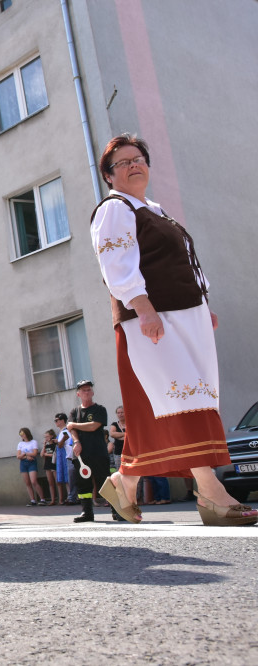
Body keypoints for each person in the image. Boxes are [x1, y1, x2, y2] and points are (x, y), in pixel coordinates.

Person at [90, 133, 256, 526]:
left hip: (184, 317)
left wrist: (203, 304)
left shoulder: (157, 209)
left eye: (139, 158)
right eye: (123, 162)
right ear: (109, 176)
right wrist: (143, 307)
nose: (134, 165)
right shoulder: (114, 209)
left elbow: (183, 263)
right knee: (186, 401)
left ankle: (124, 481)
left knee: (167, 404)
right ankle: (212, 493)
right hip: (154, 319)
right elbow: (117, 265)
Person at [68, 381, 109, 523]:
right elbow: (71, 430)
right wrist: (77, 442)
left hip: (98, 452)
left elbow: (93, 426)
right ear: (78, 394)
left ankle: (117, 511)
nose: (86, 392)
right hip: (81, 455)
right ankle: (87, 512)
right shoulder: (74, 411)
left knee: (104, 481)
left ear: (92, 392)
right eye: (83, 390)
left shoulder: (100, 409)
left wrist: (74, 425)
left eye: (89, 389)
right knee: (83, 484)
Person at [16, 428, 46, 506]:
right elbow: (18, 456)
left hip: (32, 462)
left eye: (22, 433)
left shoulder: (33, 442)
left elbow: (34, 453)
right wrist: (26, 456)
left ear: (27, 433)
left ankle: (42, 499)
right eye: (20, 434)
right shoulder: (20, 444)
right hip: (23, 463)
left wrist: (25, 454)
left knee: (34, 481)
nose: (21, 435)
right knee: (27, 483)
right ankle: (32, 500)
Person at [42, 429, 59, 505]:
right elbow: (42, 455)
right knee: (50, 483)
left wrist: (47, 454)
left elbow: (54, 455)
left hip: (54, 464)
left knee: (57, 482)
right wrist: (44, 445)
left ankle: (60, 499)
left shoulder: (55, 445)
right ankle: (52, 500)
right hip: (47, 465)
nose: (46, 438)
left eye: (47, 436)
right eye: (45, 437)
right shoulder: (47, 446)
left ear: (51, 436)